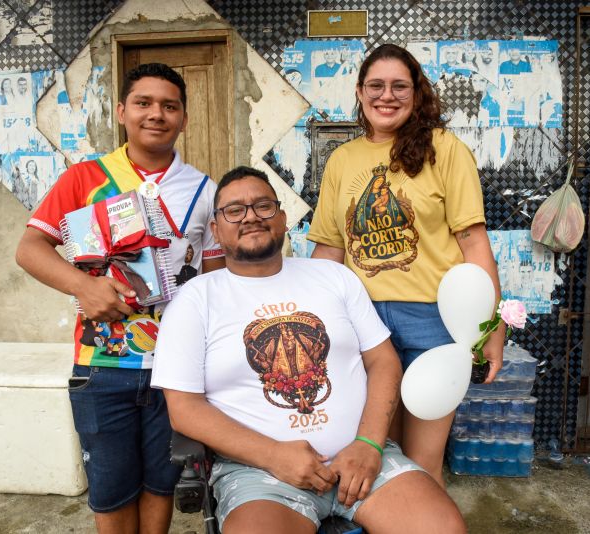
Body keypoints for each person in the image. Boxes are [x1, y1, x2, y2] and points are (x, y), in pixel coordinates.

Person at [152, 166, 466, 534]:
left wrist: (369, 444)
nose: (250, 216)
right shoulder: (195, 299)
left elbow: (383, 361)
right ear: (216, 230)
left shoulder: (333, 277)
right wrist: (273, 455)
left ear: (283, 218)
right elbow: (184, 409)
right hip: (259, 473)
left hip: (362, 459)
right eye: (234, 210)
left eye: (263, 206)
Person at [16, 62, 225, 534]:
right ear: (121, 111)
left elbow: (215, 281)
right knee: (111, 490)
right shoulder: (84, 178)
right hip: (101, 366)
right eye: (143, 103)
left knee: (161, 485)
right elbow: (29, 248)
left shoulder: (204, 190)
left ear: (184, 118)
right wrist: (83, 285)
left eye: (169, 106)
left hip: (176, 370)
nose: (156, 114)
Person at [308, 44, 504, 488]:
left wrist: (491, 326)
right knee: (377, 458)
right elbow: (329, 250)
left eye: (400, 86)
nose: (387, 96)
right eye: (376, 85)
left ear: (416, 93)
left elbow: (473, 242)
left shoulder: (445, 150)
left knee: (422, 463)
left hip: (433, 321)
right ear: (360, 92)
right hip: (362, 323)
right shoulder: (342, 160)